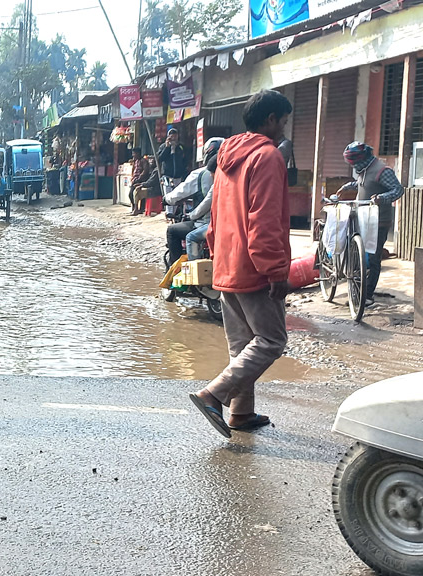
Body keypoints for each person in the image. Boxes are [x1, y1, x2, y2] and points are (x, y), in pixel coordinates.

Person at [189, 89, 293, 438]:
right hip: (254, 266)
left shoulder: (225, 158)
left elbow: (216, 215)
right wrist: (276, 270)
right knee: (270, 341)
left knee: (242, 344)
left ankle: (241, 413)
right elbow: (264, 220)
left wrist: (216, 254)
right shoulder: (267, 156)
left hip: (226, 261)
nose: (284, 129)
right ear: (270, 120)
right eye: (283, 121)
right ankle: (213, 394)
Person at [340, 141, 405, 307]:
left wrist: (382, 198)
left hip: (379, 221)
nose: (354, 167)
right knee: (360, 256)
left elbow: (398, 190)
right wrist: (349, 185)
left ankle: (367, 296)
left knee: (374, 258)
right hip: (363, 218)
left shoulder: (382, 170)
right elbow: (366, 184)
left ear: (362, 158)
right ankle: (358, 291)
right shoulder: (365, 169)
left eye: (354, 163)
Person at [163, 137, 223, 265]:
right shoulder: (232, 174)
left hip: (205, 223)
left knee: (172, 231)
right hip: (228, 224)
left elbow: (181, 193)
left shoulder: (201, 174)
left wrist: (166, 199)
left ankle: (177, 270)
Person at [128, 148, 151, 215]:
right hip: (135, 179)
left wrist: (139, 178)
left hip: (141, 180)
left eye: (134, 153)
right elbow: (134, 170)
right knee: (131, 194)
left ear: (138, 153)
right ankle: (135, 208)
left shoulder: (143, 161)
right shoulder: (136, 161)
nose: (133, 155)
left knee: (138, 194)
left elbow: (145, 171)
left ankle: (140, 209)